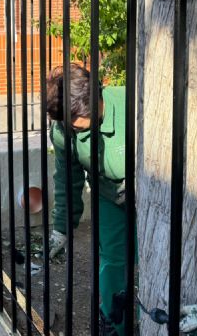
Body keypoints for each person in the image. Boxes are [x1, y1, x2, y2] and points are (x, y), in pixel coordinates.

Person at [46, 63, 128, 336]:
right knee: (114, 259)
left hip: (154, 196)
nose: (78, 132)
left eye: (83, 123)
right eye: (74, 127)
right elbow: (68, 180)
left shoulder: (132, 102)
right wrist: (61, 228)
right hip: (109, 197)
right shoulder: (63, 130)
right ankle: (115, 322)